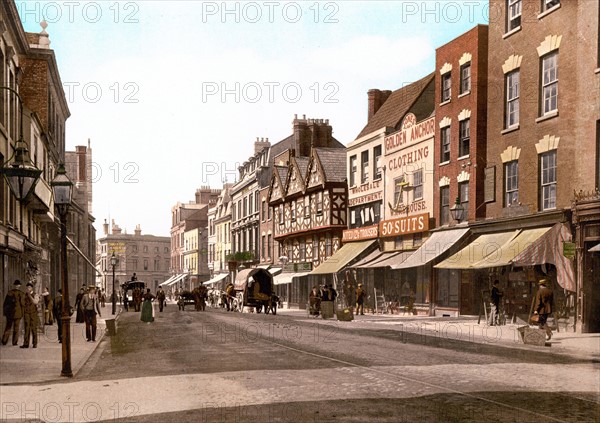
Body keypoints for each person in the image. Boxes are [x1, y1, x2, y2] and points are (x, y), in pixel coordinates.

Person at [2, 280, 24, 346]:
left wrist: (5, 313)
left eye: (18, 285)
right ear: (16, 285)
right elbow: (22, 304)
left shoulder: (11, 293)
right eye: (17, 285)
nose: (17, 286)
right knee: (13, 328)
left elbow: (5, 304)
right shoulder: (19, 293)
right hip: (15, 313)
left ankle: (7, 341)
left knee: (11, 328)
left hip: (13, 313)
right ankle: (10, 342)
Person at [21, 282, 40, 348]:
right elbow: (22, 303)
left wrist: (29, 296)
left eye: (29, 287)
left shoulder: (35, 294)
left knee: (34, 328)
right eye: (27, 287)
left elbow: (35, 302)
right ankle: (26, 344)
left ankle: (35, 343)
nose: (28, 289)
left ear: (32, 288)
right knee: (26, 328)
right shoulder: (24, 295)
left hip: (33, 313)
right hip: (26, 313)